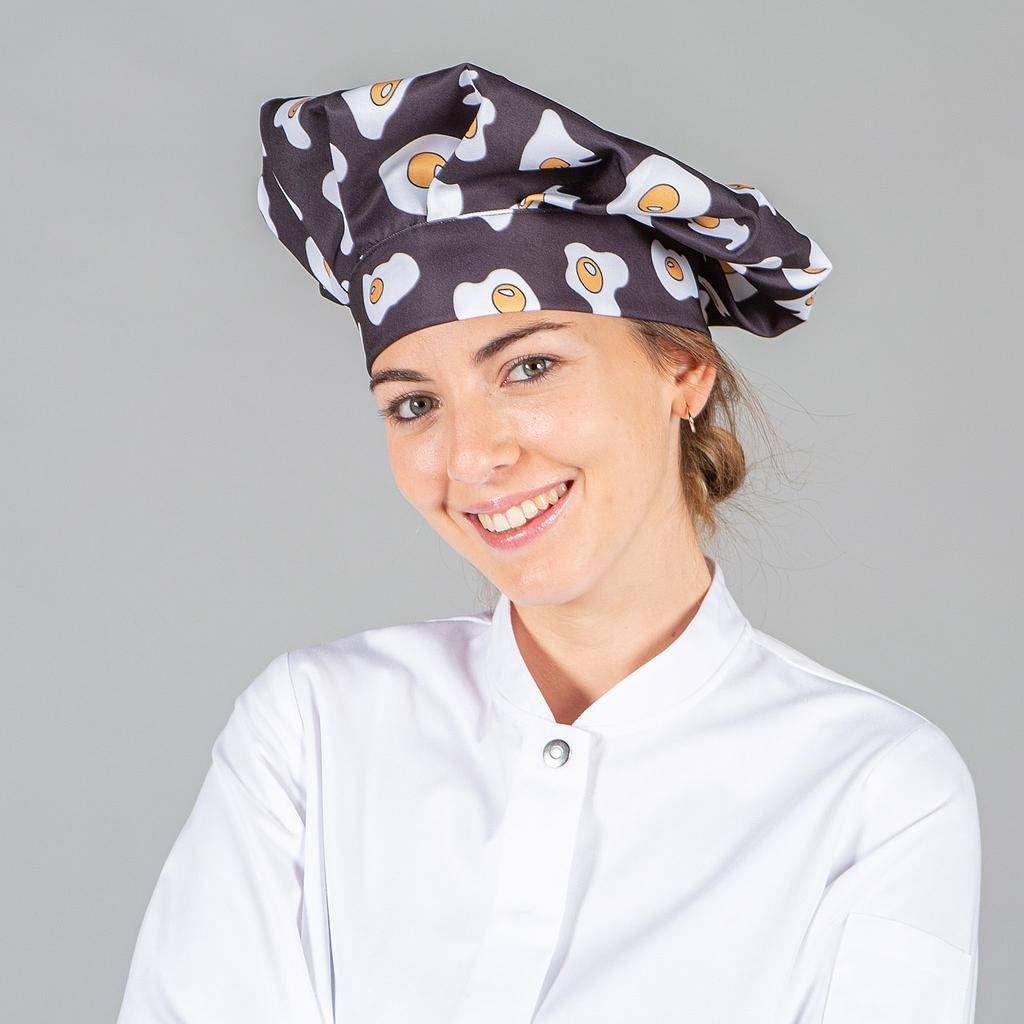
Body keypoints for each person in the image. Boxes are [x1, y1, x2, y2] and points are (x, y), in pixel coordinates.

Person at [116, 61, 980, 1023]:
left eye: (528, 366)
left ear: (682, 369)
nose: (472, 455)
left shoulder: (873, 790)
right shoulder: (313, 731)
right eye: (414, 404)